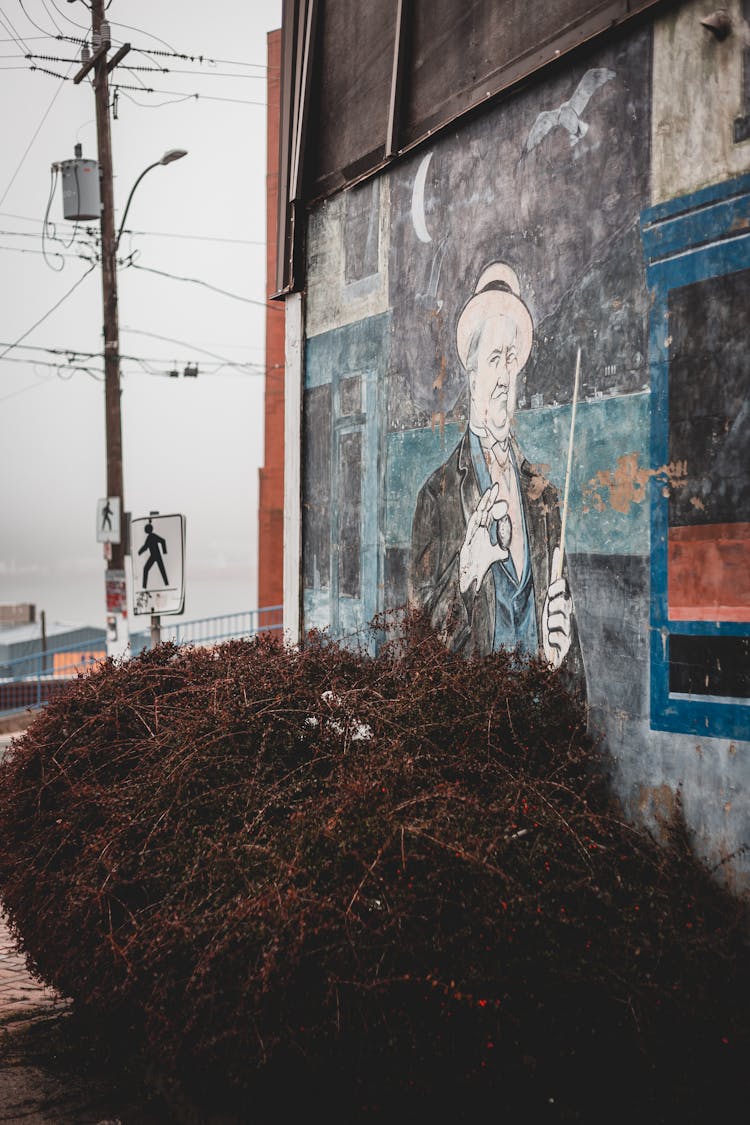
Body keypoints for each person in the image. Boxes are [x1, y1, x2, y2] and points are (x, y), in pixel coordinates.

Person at [409, 261, 585, 692]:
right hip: (478, 741)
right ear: (471, 375)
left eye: (511, 359)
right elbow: (420, 647)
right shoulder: (437, 495)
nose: (505, 376)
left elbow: (571, 658)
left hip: (539, 735)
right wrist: (467, 572)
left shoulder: (546, 499)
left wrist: (557, 657)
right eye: (493, 359)